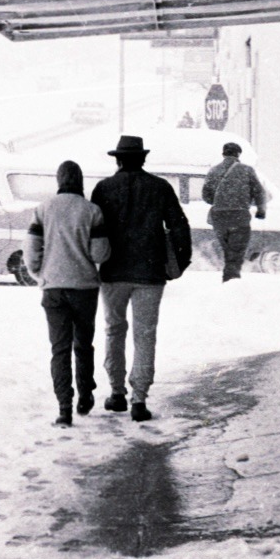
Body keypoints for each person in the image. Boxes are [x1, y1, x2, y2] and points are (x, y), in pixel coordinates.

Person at [89, 135, 192, 422]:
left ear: (118, 160)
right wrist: (178, 263)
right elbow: (179, 226)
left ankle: (117, 393)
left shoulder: (103, 188)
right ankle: (139, 399)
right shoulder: (160, 188)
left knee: (114, 330)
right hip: (150, 273)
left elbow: (94, 230)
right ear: (143, 159)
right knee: (145, 335)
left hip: (113, 272)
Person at [24, 161, 111, 427]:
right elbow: (100, 253)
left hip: (53, 289)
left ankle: (64, 408)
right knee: (83, 345)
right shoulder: (92, 211)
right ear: (80, 180)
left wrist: (40, 273)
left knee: (59, 349)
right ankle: (85, 396)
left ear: (59, 180)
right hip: (84, 288)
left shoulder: (43, 210)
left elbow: (30, 250)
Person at [201, 142, 267, 282]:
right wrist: (261, 210)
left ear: (223, 154)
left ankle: (229, 277)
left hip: (219, 216)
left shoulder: (214, 171)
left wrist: (221, 201)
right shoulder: (247, 170)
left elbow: (206, 196)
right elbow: (259, 192)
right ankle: (231, 279)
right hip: (239, 215)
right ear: (238, 154)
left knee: (227, 250)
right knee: (237, 251)